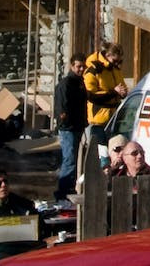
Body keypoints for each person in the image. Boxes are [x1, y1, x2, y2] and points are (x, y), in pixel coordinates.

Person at [54, 54, 90, 200]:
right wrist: (65, 123)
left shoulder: (80, 83)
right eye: (78, 66)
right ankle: (62, 193)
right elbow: (61, 108)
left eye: (83, 66)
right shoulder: (65, 84)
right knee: (69, 160)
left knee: (76, 160)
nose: (81, 69)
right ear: (71, 66)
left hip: (78, 126)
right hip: (69, 129)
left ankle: (70, 188)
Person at [82, 42, 125, 136]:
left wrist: (123, 93)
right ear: (108, 55)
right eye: (115, 61)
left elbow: (121, 87)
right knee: (99, 149)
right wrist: (114, 92)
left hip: (114, 118)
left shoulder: (115, 69)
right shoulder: (94, 69)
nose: (117, 64)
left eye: (120, 61)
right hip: (98, 120)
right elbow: (91, 96)